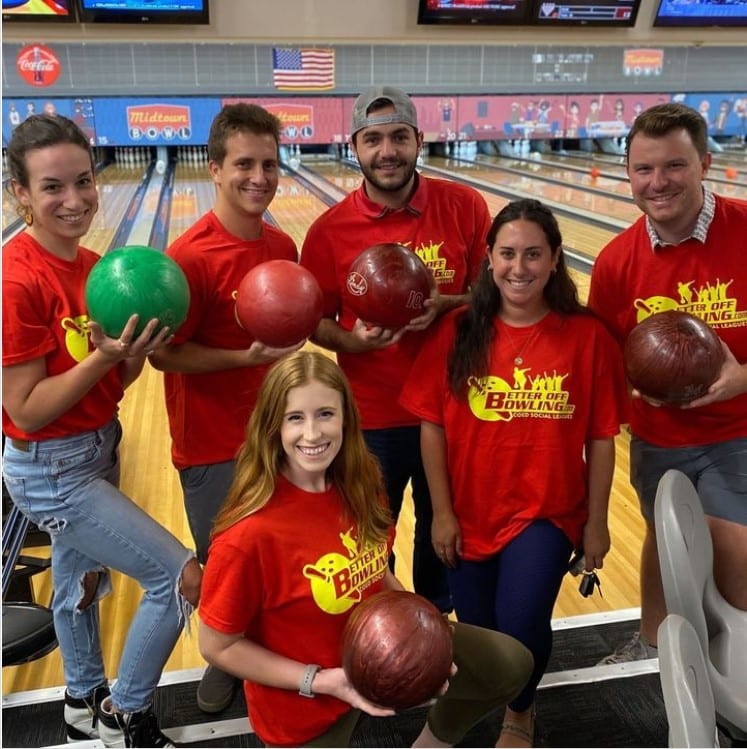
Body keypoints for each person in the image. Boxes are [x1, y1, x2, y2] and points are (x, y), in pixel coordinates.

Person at [198, 350, 534, 748]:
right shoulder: (247, 535)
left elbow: (375, 571)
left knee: (511, 665)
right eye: (295, 418)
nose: (312, 434)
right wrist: (322, 681)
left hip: (382, 658)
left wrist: (422, 631)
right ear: (272, 427)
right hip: (309, 702)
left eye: (325, 414)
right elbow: (217, 644)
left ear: (346, 417)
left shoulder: (361, 482)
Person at [2, 114, 202, 748]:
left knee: (78, 587)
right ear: (21, 196)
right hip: (50, 469)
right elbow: (27, 409)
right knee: (177, 578)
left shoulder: (96, 270)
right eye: (52, 186)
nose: (74, 199)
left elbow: (114, 384)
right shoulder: (16, 280)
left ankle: (82, 701)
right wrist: (104, 356)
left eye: (84, 181)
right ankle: (127, 718)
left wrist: (134, 349)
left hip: (95, 448)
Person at [400, 199, 626, 747]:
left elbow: (600, 438)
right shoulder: (457, 331)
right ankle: (482, 703)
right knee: (480, 635)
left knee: (520, 624)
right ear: (489, 259)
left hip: (548, 513)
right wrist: (442, 514)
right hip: (470, 512)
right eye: (507, 254)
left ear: (555, 261)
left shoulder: (585, 337)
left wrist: (597, 522)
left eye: (532, 254)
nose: (518, 267)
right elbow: (431, 427)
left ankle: (521, 711)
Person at [300, 86, 492, 614]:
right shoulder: (328, 231)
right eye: (373, 139)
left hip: (454, 406)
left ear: (418, 141)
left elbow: (499, 296)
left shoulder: (465, 207)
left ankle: (436, 619)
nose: (387, 151)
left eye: (399, 137)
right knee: (369, 531)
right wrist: (351, 339)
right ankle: (377, 626)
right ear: (354, 148)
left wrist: (447, 303)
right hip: (374, 414)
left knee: (444, 528)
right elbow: (315, 322)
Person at [148, 102, 300, 713]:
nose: (258, 177)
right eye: (243, 163)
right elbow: (166, 359)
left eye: (269, 163)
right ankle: (223, 655)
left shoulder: (283, 244)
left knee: (281, 557)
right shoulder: (188, 258)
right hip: (211, 445)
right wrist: (245, 358)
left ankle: (271, 653)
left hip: (280, 440)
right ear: (214, 168)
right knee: (223, 567)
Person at [589, 102, 747, 664]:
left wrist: (741, 379)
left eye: (674, 166)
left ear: (705, 162)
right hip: (658, 437)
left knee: (735, 551)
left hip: (738, 430)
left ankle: (733, 659)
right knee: (663, 536)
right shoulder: (614, 262)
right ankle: (651, 642)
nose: (658, 183)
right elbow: (605, 359)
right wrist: (631, 393)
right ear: (628, 174)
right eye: (644, 170)